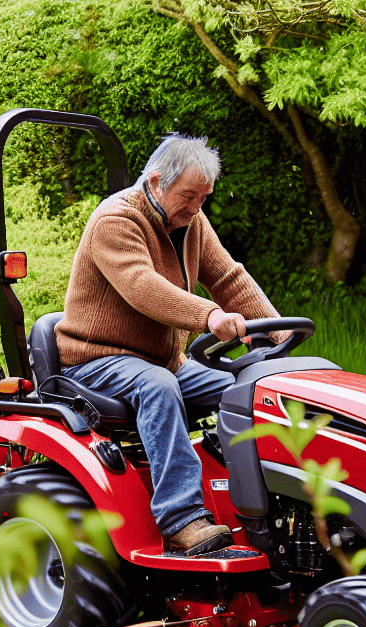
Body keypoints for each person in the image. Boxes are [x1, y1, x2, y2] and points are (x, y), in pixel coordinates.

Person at [55, 133, 281, 556]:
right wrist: (209, 316)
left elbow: (228, 277)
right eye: (190, 195)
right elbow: (143, 286)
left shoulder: (192, 221)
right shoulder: (116, 220)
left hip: (163, 359)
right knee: (157, 386)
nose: (197, 207)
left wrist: (280, 339)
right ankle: (181, 520)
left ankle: (264, 501)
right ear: (157, 182)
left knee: (251, 392)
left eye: (204, 197)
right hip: (95, 359)